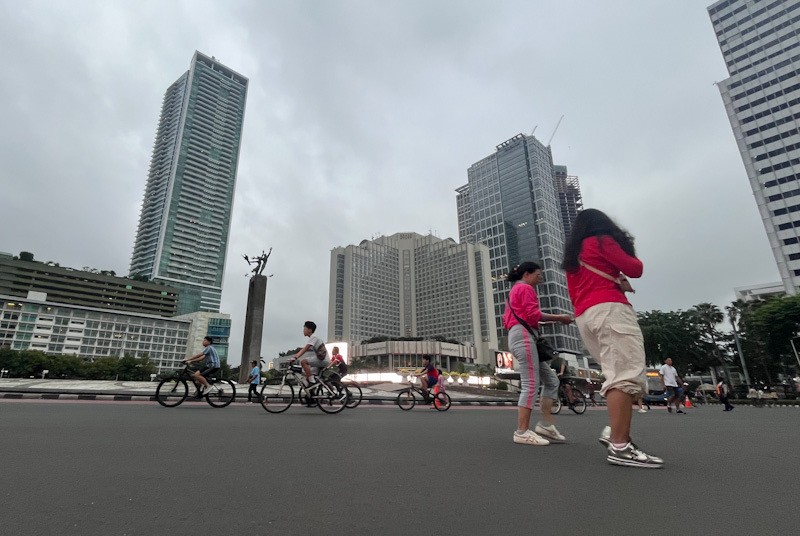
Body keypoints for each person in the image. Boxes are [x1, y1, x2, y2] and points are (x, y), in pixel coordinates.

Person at [562, 208, 664, 468]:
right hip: (610, 310)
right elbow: (636, 268)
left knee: (615, 374)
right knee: (625, 375)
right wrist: (624, 247)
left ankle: (616, 433)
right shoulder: (601, 241)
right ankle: (620, 447)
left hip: (585, 317)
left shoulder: (573, 256)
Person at [503, 261, 574, 446]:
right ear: (526, 274)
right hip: (524, 338)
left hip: (520, 335)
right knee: (531, 384)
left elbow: (525, 317)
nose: (540, 278)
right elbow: (534, 315)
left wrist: (554, 321)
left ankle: (545, 425)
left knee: (552, 381)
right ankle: (522, 431)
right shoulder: (525, 289)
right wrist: (560, 318)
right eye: (538, 274)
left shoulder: (514, 291)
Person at [289, 321, 330, 387]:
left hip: (323, 360)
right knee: (315, 377)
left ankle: (312, 383)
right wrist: (296, 354)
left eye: (305, 329)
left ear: (310, 330)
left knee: (303, 362)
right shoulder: (314, 338)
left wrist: (295, 357)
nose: (303, 331)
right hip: (323, 359)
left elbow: (305, 349)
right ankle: (334, 392)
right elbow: (305, 349)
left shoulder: (314, 337)